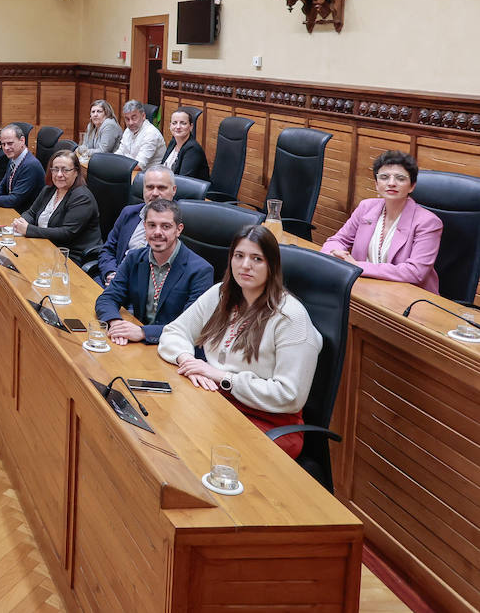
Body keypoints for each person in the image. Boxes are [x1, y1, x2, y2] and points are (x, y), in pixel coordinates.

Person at [158, 226, 322, 459]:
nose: (245, 265)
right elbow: (174, 331)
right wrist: (187, 360)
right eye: (239, 256)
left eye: (257, 259)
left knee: (191, 451)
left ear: (272, 266)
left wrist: (221, 377)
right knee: (162, 426)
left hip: (269, 422)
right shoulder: (221, 294)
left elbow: (290, 396)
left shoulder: (290, 317)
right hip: (218, 404)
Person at [95, 198, 215, 346]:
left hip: (176, 349)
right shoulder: (134, 258)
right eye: (152, 225)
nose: (157, 232)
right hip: (138, 344)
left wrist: (143, 332)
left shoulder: (201, 271)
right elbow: (107, 298)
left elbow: (190, 328)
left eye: (165, 226)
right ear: (144, 227)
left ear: (179, 229)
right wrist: (116, 324)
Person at [322, 150, 443, 292]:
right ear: (376, 184)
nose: (391, 183)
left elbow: (415, 272)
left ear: (412, 186)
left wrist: (357, 266)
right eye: (384, 177)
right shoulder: (366, 207)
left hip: (408, 297)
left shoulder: (428, 222)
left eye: (400, 178)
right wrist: (334, 254)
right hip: (363, 288)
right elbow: (337, 240)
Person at [11, 150, 103, 264]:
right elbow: (31, 213)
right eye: (55, 169)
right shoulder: (49, 190)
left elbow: (66, 233)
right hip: (46, 246)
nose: (59, 174)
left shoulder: (82, 198)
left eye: (65, 170)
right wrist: (21, 222)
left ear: (76, 172)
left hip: (70, 256)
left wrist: (29, 229)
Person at [97, 165, 178, 283]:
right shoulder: (128, 213)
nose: (155, 193)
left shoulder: (178, 224)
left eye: (161, 188)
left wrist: (122, 282)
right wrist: (110, 273)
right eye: (149, 187)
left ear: (173, 190)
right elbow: (108, 250)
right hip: (111, 280)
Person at [0, 123, 45, 212]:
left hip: (24, 216)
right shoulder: (13, 159)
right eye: (3, 144)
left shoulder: (30, 165)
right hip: (12, 211)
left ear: (22, 141)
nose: (6, 148)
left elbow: (14, 199)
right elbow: (2, 187)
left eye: (10, 143)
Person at [161, 108, 209, 180]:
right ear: (170, 126)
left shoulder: (193, 149)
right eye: (174, 123)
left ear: (191, 127)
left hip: (189, 190)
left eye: (183, 123)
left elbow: (183, 181)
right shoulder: (173, 142)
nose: (178, 127)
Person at [116, 100, 165, 169]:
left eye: (134, 118)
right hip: (130, 171)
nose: (130, 123)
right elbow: (120, 152)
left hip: (150, 175)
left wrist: (118, 163)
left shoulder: (151, 134)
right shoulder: (128, 130)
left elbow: (138, 166)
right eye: (127, 119)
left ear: (143, 116)